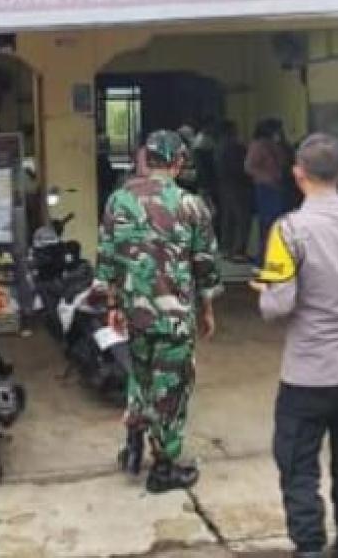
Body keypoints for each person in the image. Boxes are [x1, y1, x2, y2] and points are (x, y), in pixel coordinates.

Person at [249, 134, 338, 558]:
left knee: (298, 467)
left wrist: (265, 288)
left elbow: (277, 307)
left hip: (309, 375)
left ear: (297, 175)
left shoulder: (288, 229)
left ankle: (310, 548)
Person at [96, 129, 223, 493]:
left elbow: (108, 260)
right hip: (173, 316)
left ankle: (134, 443)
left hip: (135, 314)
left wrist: (113, 306)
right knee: (171, 388)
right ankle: (163, 468)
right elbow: (205, 265)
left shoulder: (118, 201)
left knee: (142, 376)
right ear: (179, 162)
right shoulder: (190, 205)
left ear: (145, 158)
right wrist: (207, 309)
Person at [245, 118, 288, 255]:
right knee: (269, 223)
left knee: (277, 223)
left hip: (276, 185)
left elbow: (284, 160)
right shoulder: (258, 145)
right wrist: (266, 177)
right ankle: (263, 257)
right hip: (265, 187)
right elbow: (249, 167)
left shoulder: (275, 144)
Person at [214, 120, 253, 261]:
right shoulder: (235, 147)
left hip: (223, 185)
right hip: (238, 185)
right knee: (242, 218)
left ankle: (226, 249)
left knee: (228, 218)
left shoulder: (218, 146)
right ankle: (239, 250)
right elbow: (242, 166)